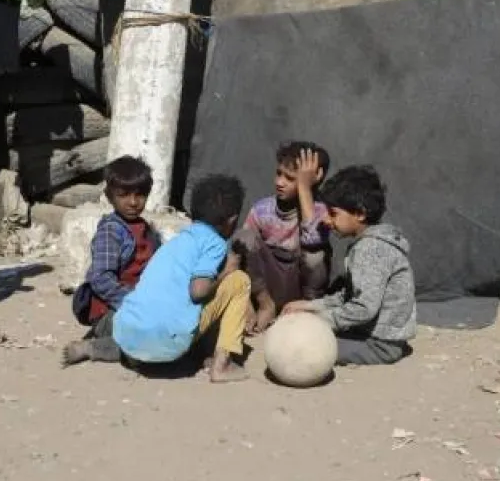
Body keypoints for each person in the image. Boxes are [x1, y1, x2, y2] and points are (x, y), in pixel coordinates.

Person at [63, 174, 252, 383]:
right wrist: (228, 270)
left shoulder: (174, 243)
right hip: (167, 346)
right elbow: (198, 291)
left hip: (127, 334)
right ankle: (223, 364)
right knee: (239, 280)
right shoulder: (215, 244)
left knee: (156, 323)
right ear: (232, 220)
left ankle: (96, 348)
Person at [283, 166, 415, 366]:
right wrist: (310, 306)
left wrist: (319, 319)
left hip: (379, 344)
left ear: (360, 213)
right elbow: (349, 296)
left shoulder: (370, 249)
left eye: (333, 213)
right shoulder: (371, 244)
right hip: (372, 335)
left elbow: (364, 308)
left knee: (305, 349)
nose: (326, 219)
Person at [231, 142, 331, 333]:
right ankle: (266, 306)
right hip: (267, 286)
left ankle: (308, 312)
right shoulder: (262, 209)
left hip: (299, 289)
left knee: (315, 255)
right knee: (244, 237)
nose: (280, 182)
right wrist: (245, 302)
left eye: (290, 178)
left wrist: (304, 188)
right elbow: (240, 252)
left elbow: (312, 240)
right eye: (279, 174)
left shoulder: (320, 211)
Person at [70, 156, 162, 338]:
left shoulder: (146, 229)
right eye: (123, 195)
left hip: (140, 303)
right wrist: (135, 304)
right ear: (109, 197)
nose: (133, 202)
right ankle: (97, 345)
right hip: (113, 309)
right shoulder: (111, 231)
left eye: (140, 195)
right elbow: (101, 279)